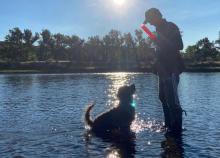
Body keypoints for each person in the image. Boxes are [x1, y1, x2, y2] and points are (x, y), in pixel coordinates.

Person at [143, 8, 185, 135]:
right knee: (162, 97)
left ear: (157, 16)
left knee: (172, 101)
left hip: (172, 69)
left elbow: (179, 46)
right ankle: (168, 125)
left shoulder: (171, 26)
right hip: (162, 70)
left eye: (150, 20)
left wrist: (160, 40)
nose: (149, 23)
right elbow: (161, 49)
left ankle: (176, 130)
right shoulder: (157, 30)